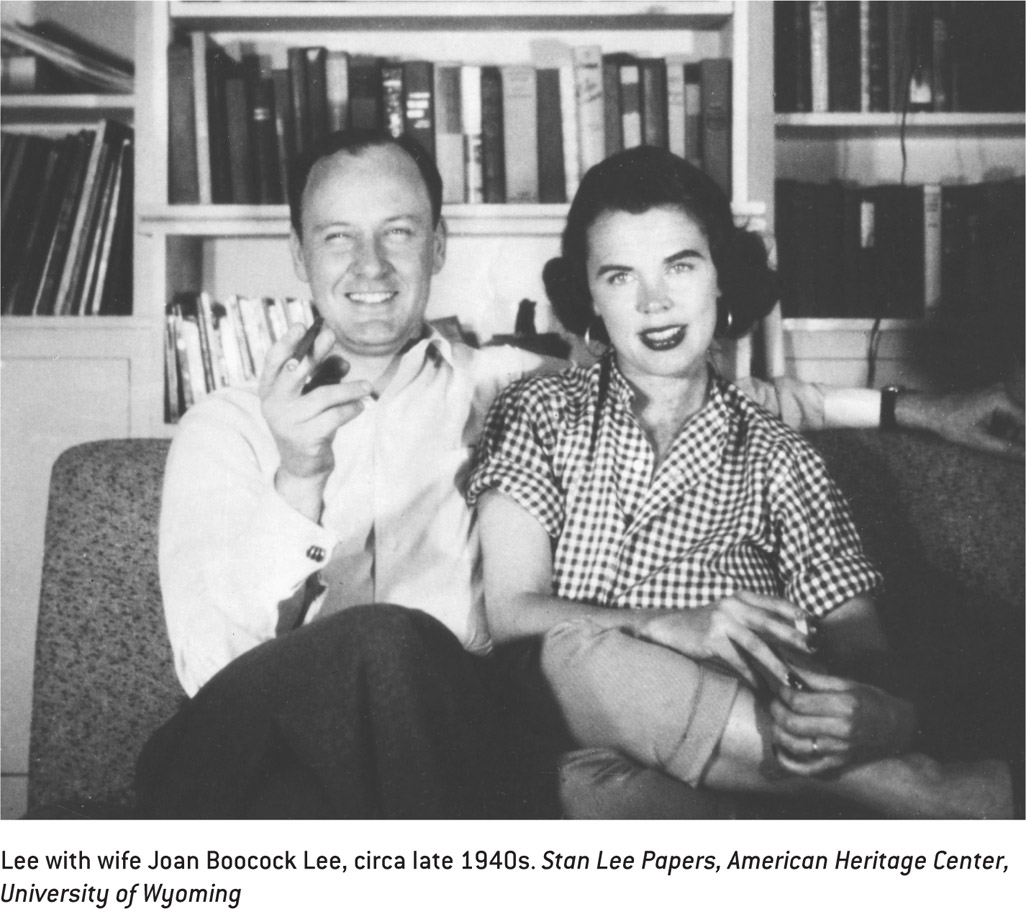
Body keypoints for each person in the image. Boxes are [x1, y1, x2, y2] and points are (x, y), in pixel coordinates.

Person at [140, 129, 1021, 818]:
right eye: (338, 238)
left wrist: (917, 410)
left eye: (398, 233)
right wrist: (299, 475)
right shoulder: (225, 429)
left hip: (437, 755)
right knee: (395, 641)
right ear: (300, 257)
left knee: (538, 762)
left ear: (438, 245)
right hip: (255, 747)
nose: (370, 268)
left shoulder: (499, 385)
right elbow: (210, 664)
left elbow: (699, 383)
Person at [466, 146, 1018, 819]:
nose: (654, 301)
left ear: (721, 278)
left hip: (746, 732)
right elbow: (513, 611)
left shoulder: (778, 453)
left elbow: (860, 641)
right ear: (591, 299)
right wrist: (669, 626)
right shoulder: (540, 410)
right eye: (619, 277)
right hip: (582, 727)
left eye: (680, 265)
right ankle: (918, 789)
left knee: (600, 791)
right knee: (575, 659)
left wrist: (880, 713)